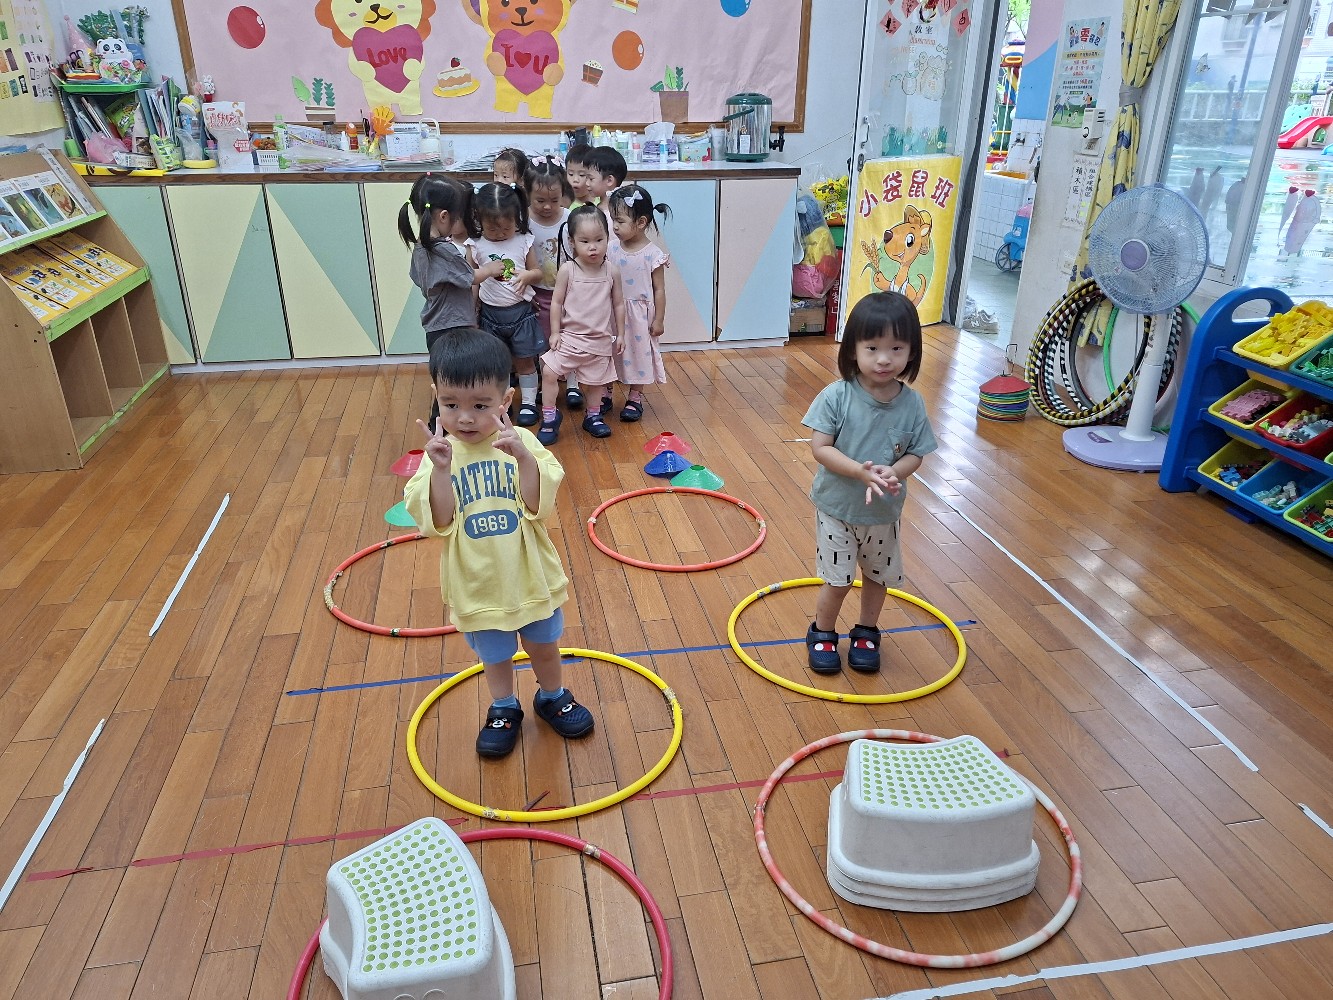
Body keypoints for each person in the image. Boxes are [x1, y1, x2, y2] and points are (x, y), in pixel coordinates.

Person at [404, 329, 594, 757]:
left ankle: (553, 696)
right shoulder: (439, 455)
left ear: (506, 400)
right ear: (436, 397)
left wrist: (524, 457)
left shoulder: (522, 443)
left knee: (544, 645)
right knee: (494, 655)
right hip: (478, 582)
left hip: (529, 574)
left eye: (480, 406)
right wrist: (439, 471)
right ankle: (504, 706)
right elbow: (439, 521)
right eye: (451, 405)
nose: (465, 418)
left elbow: (538, 505)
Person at [800, 291, 937, 675]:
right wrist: (860, 472)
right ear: (853, 349)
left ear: (912, 352)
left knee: (878, 578)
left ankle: (866, 632)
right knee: (839, 580)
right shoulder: (837, 396)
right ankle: (822, 632)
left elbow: (916, 453)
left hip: (883, 513)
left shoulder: (912, 404)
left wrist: (897, 471)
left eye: (896, 348)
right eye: (872, 348)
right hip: (838, 508)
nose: (884, 359)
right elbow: (820, 448)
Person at [537, 204, 625, 443]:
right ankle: (550, 417)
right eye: (585, 241)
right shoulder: (568, 270)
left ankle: (593, 416)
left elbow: (619, 304)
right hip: (570, 338)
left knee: (596, 383)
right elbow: (556, 303)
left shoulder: (612, 271)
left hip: (599, 340)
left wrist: (621, 334)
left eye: (599, 239)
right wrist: (555, 332)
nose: (593, 247)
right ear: (572, 241)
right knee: (549, 371)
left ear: (608, 238)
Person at [398, 173, 478, 428]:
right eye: (456, 218)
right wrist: (491, 269)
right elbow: (470, 277)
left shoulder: (420, 247)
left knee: (445, 382)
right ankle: (444, 427)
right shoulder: (443, 250)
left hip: (434, 329)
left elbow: (417, 278)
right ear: (444, 216)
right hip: (455, 326)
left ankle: (440, 429)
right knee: (458, 381)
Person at [468, 182, 545, 426]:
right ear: (479, 220)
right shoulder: (475, 245)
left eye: (507, 227)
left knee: (525, 361)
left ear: (517, 218)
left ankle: (529, 403)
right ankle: (499, 406)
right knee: (496, 365)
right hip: (490, 315)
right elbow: (471, 280)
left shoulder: (523, 240)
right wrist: (472, 311)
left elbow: (538, 272)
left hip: (521, 313)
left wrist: (528, 276)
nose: (500, 233)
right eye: (493, 228)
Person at [607, 183, 670, 422]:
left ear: (641, 222)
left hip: (639, 316)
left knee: (639, 354)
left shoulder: (653, 254)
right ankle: (605, 391)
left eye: (620, 221)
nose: (614, 226)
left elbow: (659, 290)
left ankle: (635, 396)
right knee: (609, 352)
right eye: (613, 220)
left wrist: (659, 319)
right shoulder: (611, 248)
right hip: (612, 312)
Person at [524, 155, 582, 409]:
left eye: (554, 200)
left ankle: (573, 384)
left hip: (569, 293)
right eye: (540, 200)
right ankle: (544, 382)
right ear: (527, 193)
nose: (547, 206)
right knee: (543, 340)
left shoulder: (571, 219)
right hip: (538, 294)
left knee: (571, 337)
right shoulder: (523, 222)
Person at [584, 145, 627, 215]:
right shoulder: (599, 207)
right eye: (586, 178)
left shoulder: (613, 213)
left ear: (609, 180)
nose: (587, 183)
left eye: (591, 179)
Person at [565, 143, 593, 208]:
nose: (575, 180)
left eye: (581, 175)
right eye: (571, 174)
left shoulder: (602, 200)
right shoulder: (565, 204)